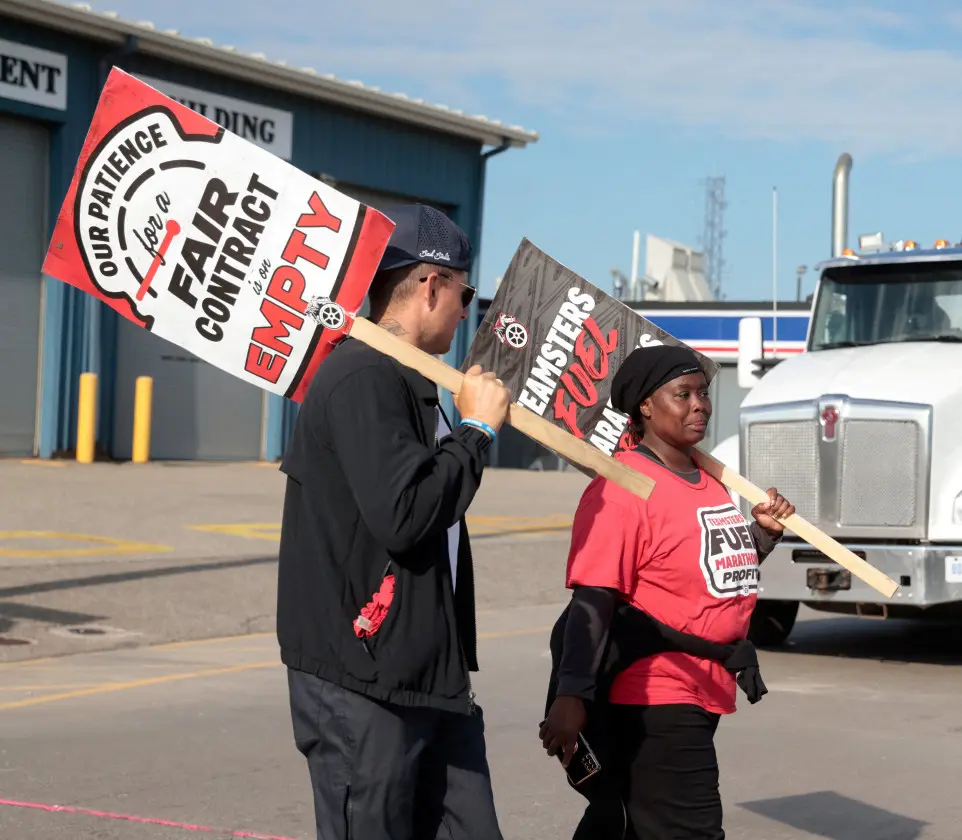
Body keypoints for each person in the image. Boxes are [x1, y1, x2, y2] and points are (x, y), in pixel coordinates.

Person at [276, 203, 512, 840]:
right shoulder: (362, 376)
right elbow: (406, 513)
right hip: (364, 680)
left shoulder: (412, 382)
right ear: (431, 284)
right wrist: (476, 433)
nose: (467, 310)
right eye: (465, 293)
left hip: (428, 675)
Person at [538, 343, 796, 839]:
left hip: (704, 685)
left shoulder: (711, 480)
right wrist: (572, 695)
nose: (700, 404)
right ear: (646, 408)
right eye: (683, 394)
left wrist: (761, 534)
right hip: (655, 693)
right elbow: (594, 599)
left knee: (627, 825)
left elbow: (712, 573)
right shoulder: (623, 488)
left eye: (703, 392)